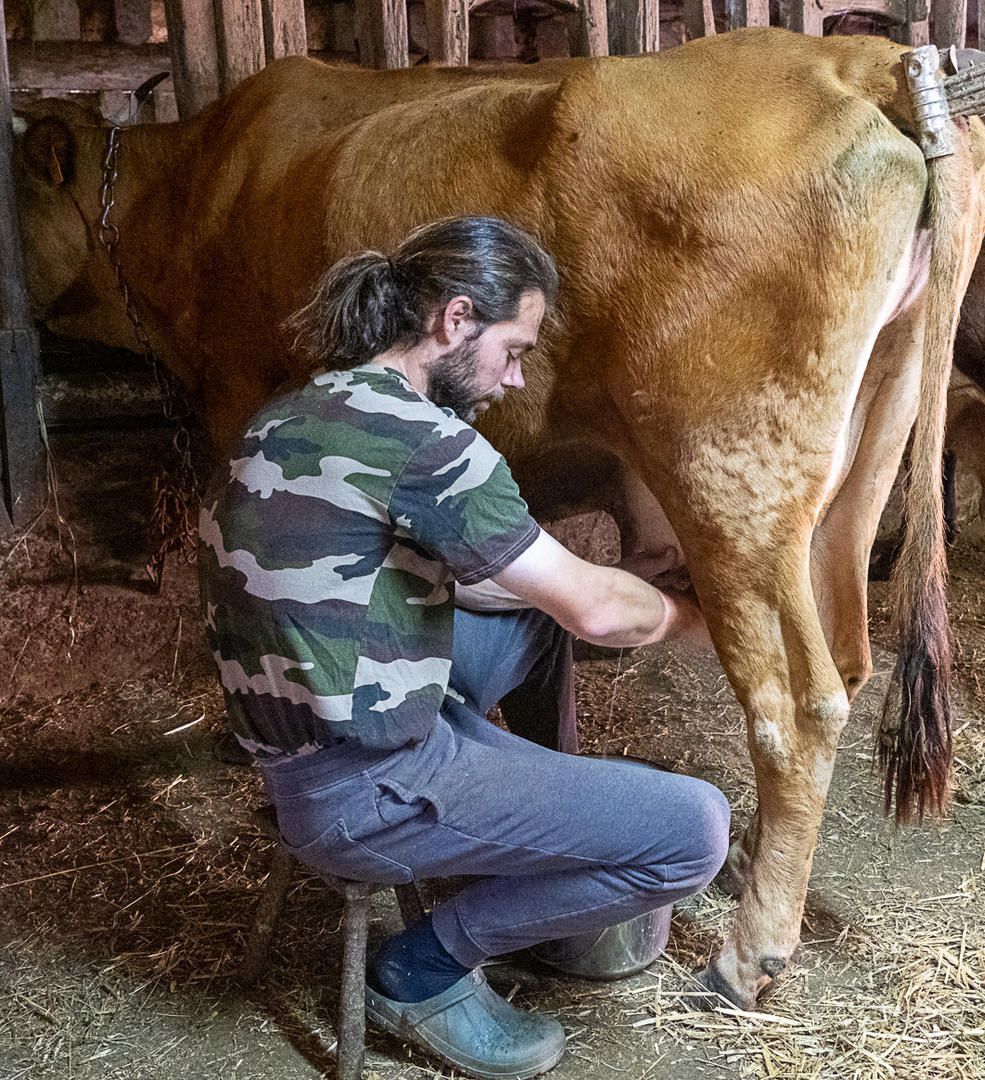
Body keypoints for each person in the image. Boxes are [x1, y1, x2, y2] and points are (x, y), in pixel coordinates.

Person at [199, 215, 730, 1080]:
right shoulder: (433, 446)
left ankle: (563, 834)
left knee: (531, 615)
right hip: (365, 792)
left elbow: (493, 585)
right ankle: (421, 971)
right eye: (513, 349)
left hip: (301, 740)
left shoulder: (301, 410)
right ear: (454, 321)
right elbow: (598, 613)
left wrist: (590, 584)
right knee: (694, 832)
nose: (514, 379)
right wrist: (705, 618)